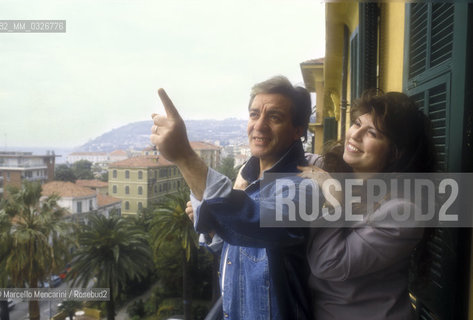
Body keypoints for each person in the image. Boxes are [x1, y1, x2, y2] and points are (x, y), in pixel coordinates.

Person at [151, 76, 318, 319]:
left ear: (297, 130)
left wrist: (184, 155)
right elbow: (236, 246)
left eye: (274, 117)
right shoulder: (246, 183)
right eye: (254, 114)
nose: (259, 125)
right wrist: (212, 231)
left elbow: (250, 221)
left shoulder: (304, 189)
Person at [306, 90, 436, 320]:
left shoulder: (402, 211)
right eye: (357, 123)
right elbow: (282, 155)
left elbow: (328, 263)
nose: (355, 135)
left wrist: (334, 201)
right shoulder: (330, 168)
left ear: (395, 153)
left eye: (372, 133)